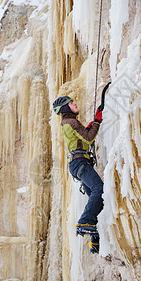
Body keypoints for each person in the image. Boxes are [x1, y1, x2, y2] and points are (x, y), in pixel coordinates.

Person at [53, 96, 104, 234]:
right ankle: (85, 222)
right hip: (80, 162)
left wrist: (89, 127)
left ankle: (95, 237)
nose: (75, 103)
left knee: (98, 200)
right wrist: (97, 122)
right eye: (71, 103)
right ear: (65, 107)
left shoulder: (67, 122)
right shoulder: (71, 122)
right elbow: (89, 138)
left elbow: (83, 140)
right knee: (98, 189)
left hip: (78, 164)